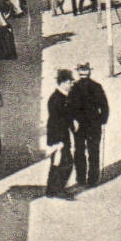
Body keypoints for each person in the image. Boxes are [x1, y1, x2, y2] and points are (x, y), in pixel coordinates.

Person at [68, 62, 109, 188]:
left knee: (79, 151)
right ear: (89, 72)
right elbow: (104, 107)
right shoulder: (97, 86)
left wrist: (71, 123)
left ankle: (80, 178)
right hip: (94, 124)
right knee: (94, 150)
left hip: (79, 125)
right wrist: (102, 120)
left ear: (78, 73)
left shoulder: (73, 88)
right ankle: (93, 179)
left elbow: (68, 108)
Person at [44, 69, 76, 199]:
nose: (71, 84)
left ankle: (51, 189)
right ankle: (58, 189)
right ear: (62, 82)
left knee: (58, 162)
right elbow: (58, 121)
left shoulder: (62, 96)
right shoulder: (57, 99)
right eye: (69, 82)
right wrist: (60, 141)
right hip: (58, 137)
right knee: (65, 163)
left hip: (60, 136)